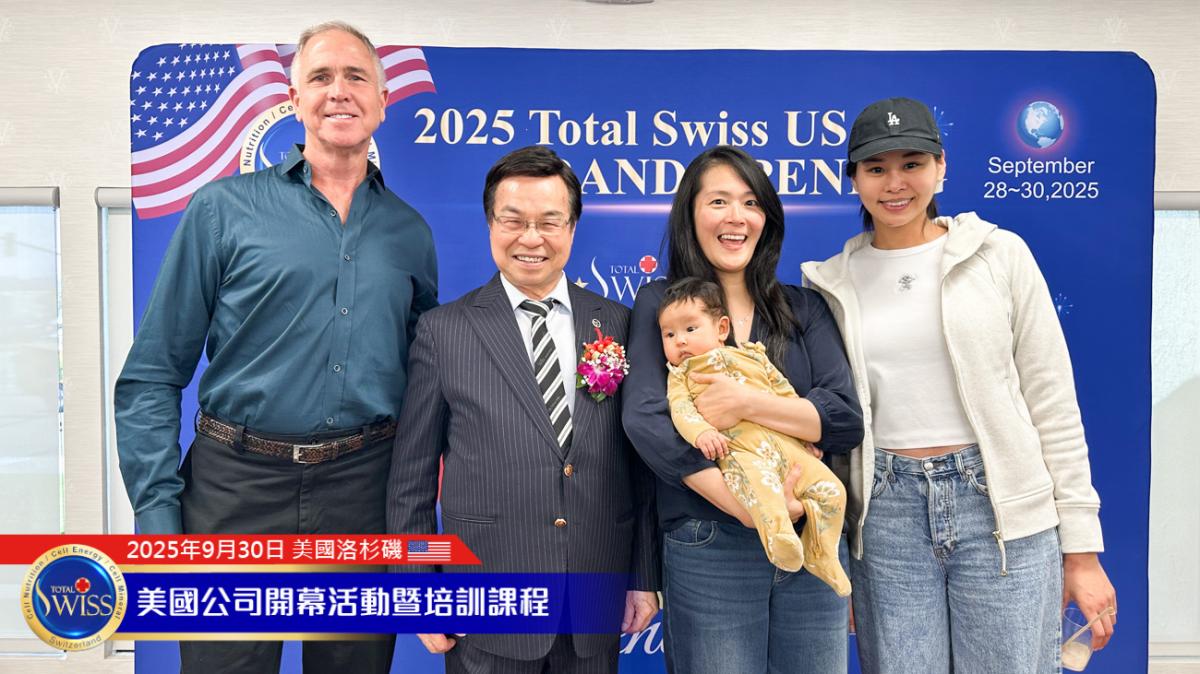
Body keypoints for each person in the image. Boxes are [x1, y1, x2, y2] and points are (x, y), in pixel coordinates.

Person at [114, 21, 436, 673]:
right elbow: (151, 375)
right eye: (320, 77)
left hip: (362, 492)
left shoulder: (410, 233)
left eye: (356, 77)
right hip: (234, 491)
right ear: (294, 99)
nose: (339, 91)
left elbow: (429, 384)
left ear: (381, 101)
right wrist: (158, 516)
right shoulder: (222, 210)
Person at [801, 96, 1117, 673]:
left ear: (941, 166)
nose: (895, 183)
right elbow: (834, 428)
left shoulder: (999, 255)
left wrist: (1083, 550)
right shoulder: (827, 285)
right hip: (886, 516)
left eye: (912, 164)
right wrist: (836, 552)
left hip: (1000, 508)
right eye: (876, 168)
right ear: (854, 179)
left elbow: (1051, 400)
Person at [386, 145, 659, 673]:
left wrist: (643, 575)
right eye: (513, 220)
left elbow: (639, 471)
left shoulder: (619, 324)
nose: (531, 238)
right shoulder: (445, 331)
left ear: (572, 228)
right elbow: (410, 481)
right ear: (491, 224)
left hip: (593, 597)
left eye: (549, 222)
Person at [622, 145, 863, 673]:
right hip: (711, 542)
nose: (737, 217)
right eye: (718, 201)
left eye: (751, 203)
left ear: (767, 218)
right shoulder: (661, 305)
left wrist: (747, 403)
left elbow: (844, 418)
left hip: (810, 537)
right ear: (690, 215)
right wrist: (746, 505)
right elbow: (648, 419)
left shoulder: (805, 308)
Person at [658, 277, 851, 595]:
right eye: (669, 334)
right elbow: (680, 410)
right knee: (762, 489)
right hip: (741, 451)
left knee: (833, 491)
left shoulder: (753, 356)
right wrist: (702, 432)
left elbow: (783, 391)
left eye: (690, 329)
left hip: (788, 448)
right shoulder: (682, 375)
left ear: (721, 328)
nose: (680, 341)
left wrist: (801, 433)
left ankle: (822, 552)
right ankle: (779, 540)